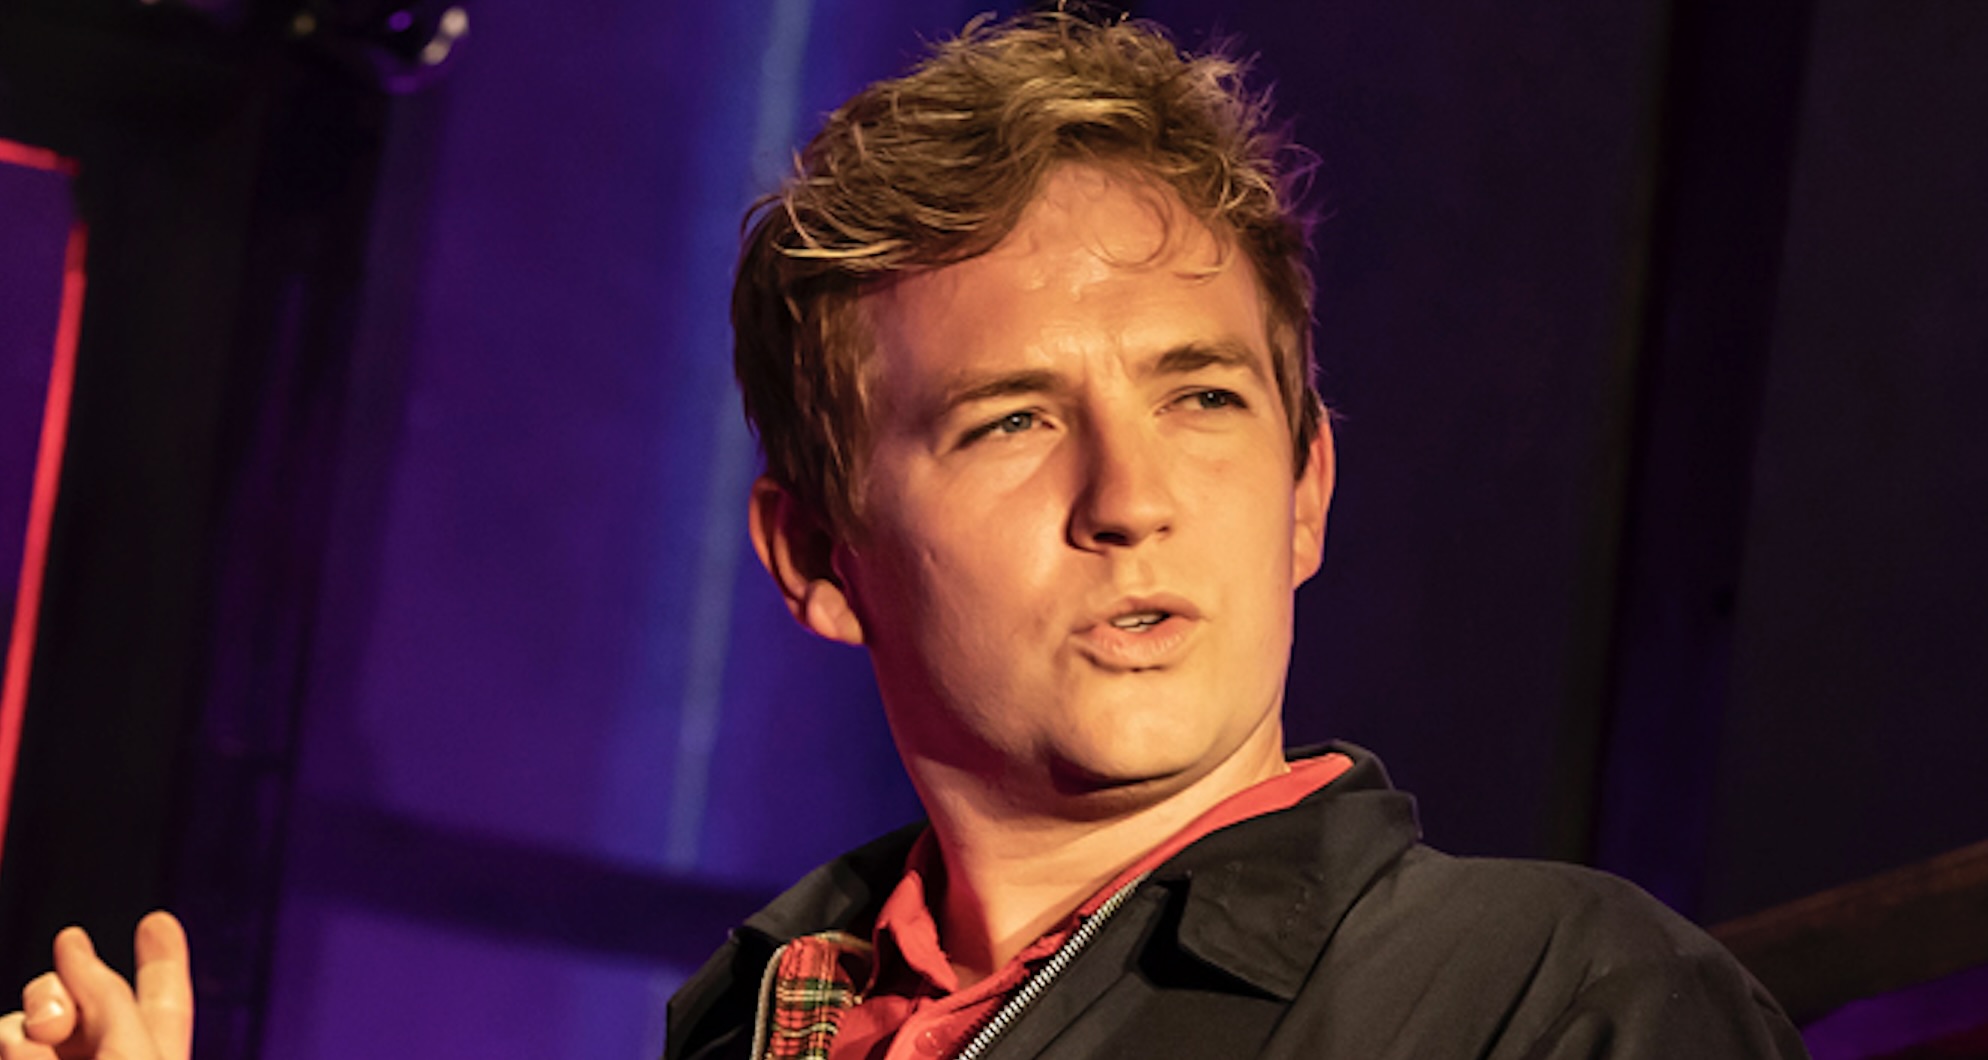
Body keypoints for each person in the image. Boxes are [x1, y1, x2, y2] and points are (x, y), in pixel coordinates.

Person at [1, 12, 1808, 1060]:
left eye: (1203, 397)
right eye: (1012, 420)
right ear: (813, 558)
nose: (1131, 496)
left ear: (1308, 490)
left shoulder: (1555, 1002)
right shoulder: (757, 1024)